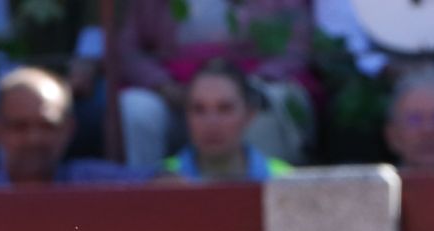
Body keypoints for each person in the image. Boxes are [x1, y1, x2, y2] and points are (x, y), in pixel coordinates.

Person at [114, 0, 312, 172]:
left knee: (265, 102)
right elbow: (128, 49)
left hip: (254, 82)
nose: (212, 122)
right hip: (172, 91)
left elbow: (297, 44)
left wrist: (250, 85)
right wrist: (162, 84)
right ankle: (147, 193)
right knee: (136, 108)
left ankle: (270, 198)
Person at [0, 65, 142, 186]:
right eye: (20, 127)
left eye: (48, 126)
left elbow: (160, 187)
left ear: (69, 129)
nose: (34, 138)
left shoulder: (95, 182)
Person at [163, 60, 289, 181]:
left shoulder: (286, 179)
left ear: (249, 114)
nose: (211, 123)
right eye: (199, 109)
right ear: (186, 114)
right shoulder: (155, 181)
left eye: (225, 108)